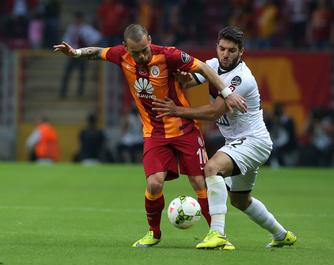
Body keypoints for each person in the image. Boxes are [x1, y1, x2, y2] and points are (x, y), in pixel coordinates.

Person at [53, 23, 247, 248]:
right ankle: (154, 233)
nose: (143, 55)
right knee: (154, 184)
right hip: (154, 133)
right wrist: (75, 53)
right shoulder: (121, 55)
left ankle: (218, 236)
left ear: (150, 40)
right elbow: (97, 52)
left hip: (185, 129)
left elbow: (203, 68)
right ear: (126, 47)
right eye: (136, 52)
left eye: (145, 49)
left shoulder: (168, 55)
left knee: (198, 181)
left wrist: (226, 93)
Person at [153, 26, 297, 249]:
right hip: (240, 143)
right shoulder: (212, 65)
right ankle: (281, 235)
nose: (225, 54)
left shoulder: (241, 78)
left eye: (231, 50)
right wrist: (183, 78)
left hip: (253, 141)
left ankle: (217, 233)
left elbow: (214, 112)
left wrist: (177, 111)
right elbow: (189, 81)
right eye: (222, 48)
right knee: (240, 200)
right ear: (217, 47)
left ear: (241, 52)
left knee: (211, 168)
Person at [59, 11, 101, 99]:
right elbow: (65, 39)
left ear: (81, 19)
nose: (77, 20)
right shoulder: (71, 28)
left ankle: (80, 93)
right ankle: (63, 92)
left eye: (79, 19)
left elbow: (97, 37)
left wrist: (90, 46)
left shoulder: (86, 29)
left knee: (82, 74)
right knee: (67, 73)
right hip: (72, 53)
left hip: (82, 54)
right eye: (76, 19)